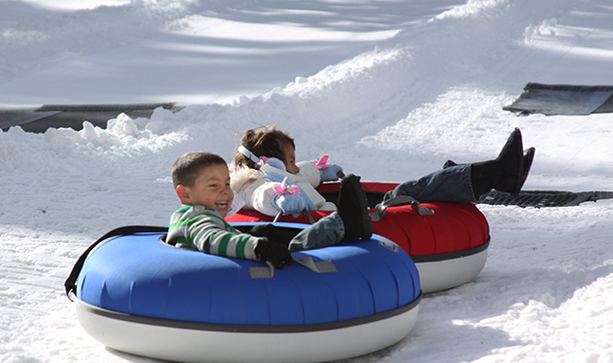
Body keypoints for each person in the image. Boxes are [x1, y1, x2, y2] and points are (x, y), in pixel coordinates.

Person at [230, 125, 535, 216]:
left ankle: (496, 174)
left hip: (339, 215)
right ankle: (497, 174)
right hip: (338, 224)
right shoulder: (258, 184)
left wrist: (321, 172)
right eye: (291, 160)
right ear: (269, 164)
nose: (297, 165)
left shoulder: (287, 175)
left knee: (410, 190)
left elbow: (302, 174)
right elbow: (262, 197)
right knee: (405, 195)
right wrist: (279, 200)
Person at [165, 151, 373, 269]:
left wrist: (256, 234)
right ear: (185, 194)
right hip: (231, 277)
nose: (225, 193)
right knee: (298, 249)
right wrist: (258, 247)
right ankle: (343, 224)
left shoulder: (187, 217)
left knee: (272, 233)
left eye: (227, 184)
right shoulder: (200, 220)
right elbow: (212, 239)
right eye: (213, 186)